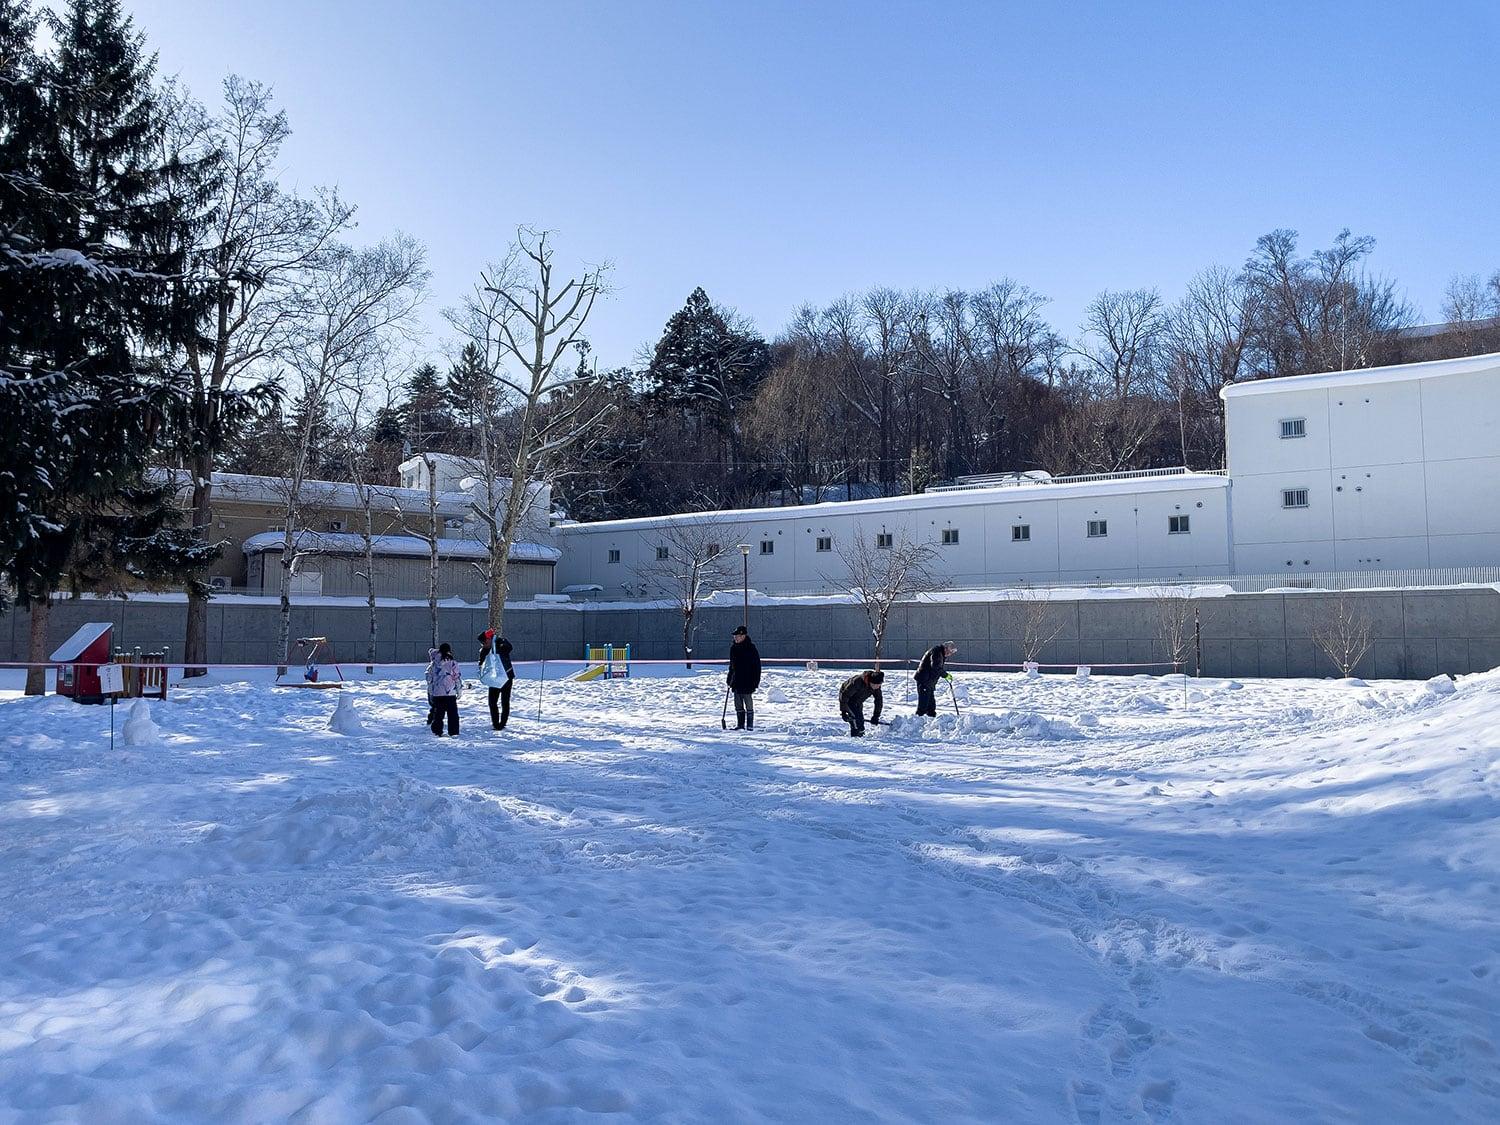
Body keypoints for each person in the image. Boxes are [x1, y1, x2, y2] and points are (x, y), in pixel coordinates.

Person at [477, 629, 515, 731]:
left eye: (484, 642)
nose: (483, 645)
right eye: (482, 643)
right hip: (493, 679)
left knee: (505, 702)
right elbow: (481, 664)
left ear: (489, 639)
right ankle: (495, 723)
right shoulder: (484, 651)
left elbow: (509, 647)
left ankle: (502, 723)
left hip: (506, 677)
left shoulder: (500, 645)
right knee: (492, 702)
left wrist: (499, 641)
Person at [726, 625, 762, 730]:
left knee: (748, 701)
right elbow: (731, 666)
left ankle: (749, 725)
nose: (735, 638)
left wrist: (755, 682)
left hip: (748, 680)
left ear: (743, 636)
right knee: (738, 703)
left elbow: (757, 667)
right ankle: (740, 725)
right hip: (736, 680)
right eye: (735, 636)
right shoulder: (733, 648)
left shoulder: (751, 648)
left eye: (737, 636)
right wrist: (729, 679)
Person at [425, 642, 463, 736]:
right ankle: (453, 731)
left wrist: (431, 691)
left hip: (437, 693)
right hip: (450, 692)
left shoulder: (433, 664)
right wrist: (459, 691)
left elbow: (429, 678)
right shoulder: (453, 663)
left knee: (438, 714)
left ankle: (437, 731)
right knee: (453, 714)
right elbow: (457, 678)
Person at [914, 641, 957, 717]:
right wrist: (945, 675)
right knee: (923, 704)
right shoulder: (937, 652)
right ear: (946, 648)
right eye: (950, 652)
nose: (950, 654)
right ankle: (917, 720)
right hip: (924, 680)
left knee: (931, 706)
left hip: (929, 681)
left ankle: (931, 719)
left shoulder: (940, 653)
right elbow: (936, 667)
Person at [839, 668, 884, 737]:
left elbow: (878, 701)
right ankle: (856, 738)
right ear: (870, 682)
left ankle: (859, 735)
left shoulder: (876, 687)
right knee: (856, 719)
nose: (878, 687)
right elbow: (845, 695)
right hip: (848, 699)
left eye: (879, 685)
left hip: (858, 701)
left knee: (860, 719)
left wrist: (876, 716)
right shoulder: (857, 682)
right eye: (876, 685)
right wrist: (843, 712)